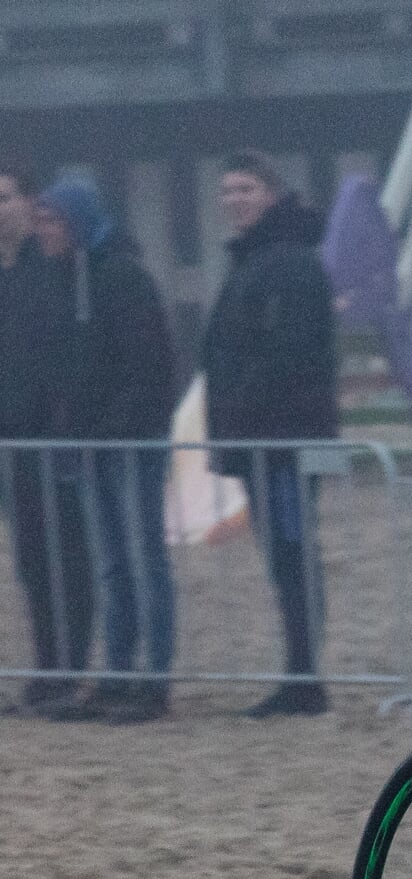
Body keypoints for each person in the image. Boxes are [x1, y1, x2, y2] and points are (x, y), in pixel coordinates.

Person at [35, 177, 181, 723]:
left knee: (144, 559)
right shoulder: (69, 279)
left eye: (50, 220)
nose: (42, 230)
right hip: (96, 443)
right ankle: (119, 673)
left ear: (74, 223)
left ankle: (154, 679)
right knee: (114, 564)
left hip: (130, 443)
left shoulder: (121, 278)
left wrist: (112, 427)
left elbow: (146, 366)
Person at [201, 150, 339, 717]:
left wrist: (244, 405)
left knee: (291, 552)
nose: (235, 200)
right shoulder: (258, 260)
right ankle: (299, 671)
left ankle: (305, 675)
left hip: (284, 440)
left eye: (247, 189)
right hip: (264, 438)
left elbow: (290, 353)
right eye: (229, 190)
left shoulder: (286, 262)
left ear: (272, 196)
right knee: (284, 553)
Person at [0, 158, 94, 715]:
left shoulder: (53, 269)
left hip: (50, 439)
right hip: (8, 446)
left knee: (68, 558)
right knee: (32, 561)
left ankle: (68, 667)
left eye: (8, 198)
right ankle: (45, 667)